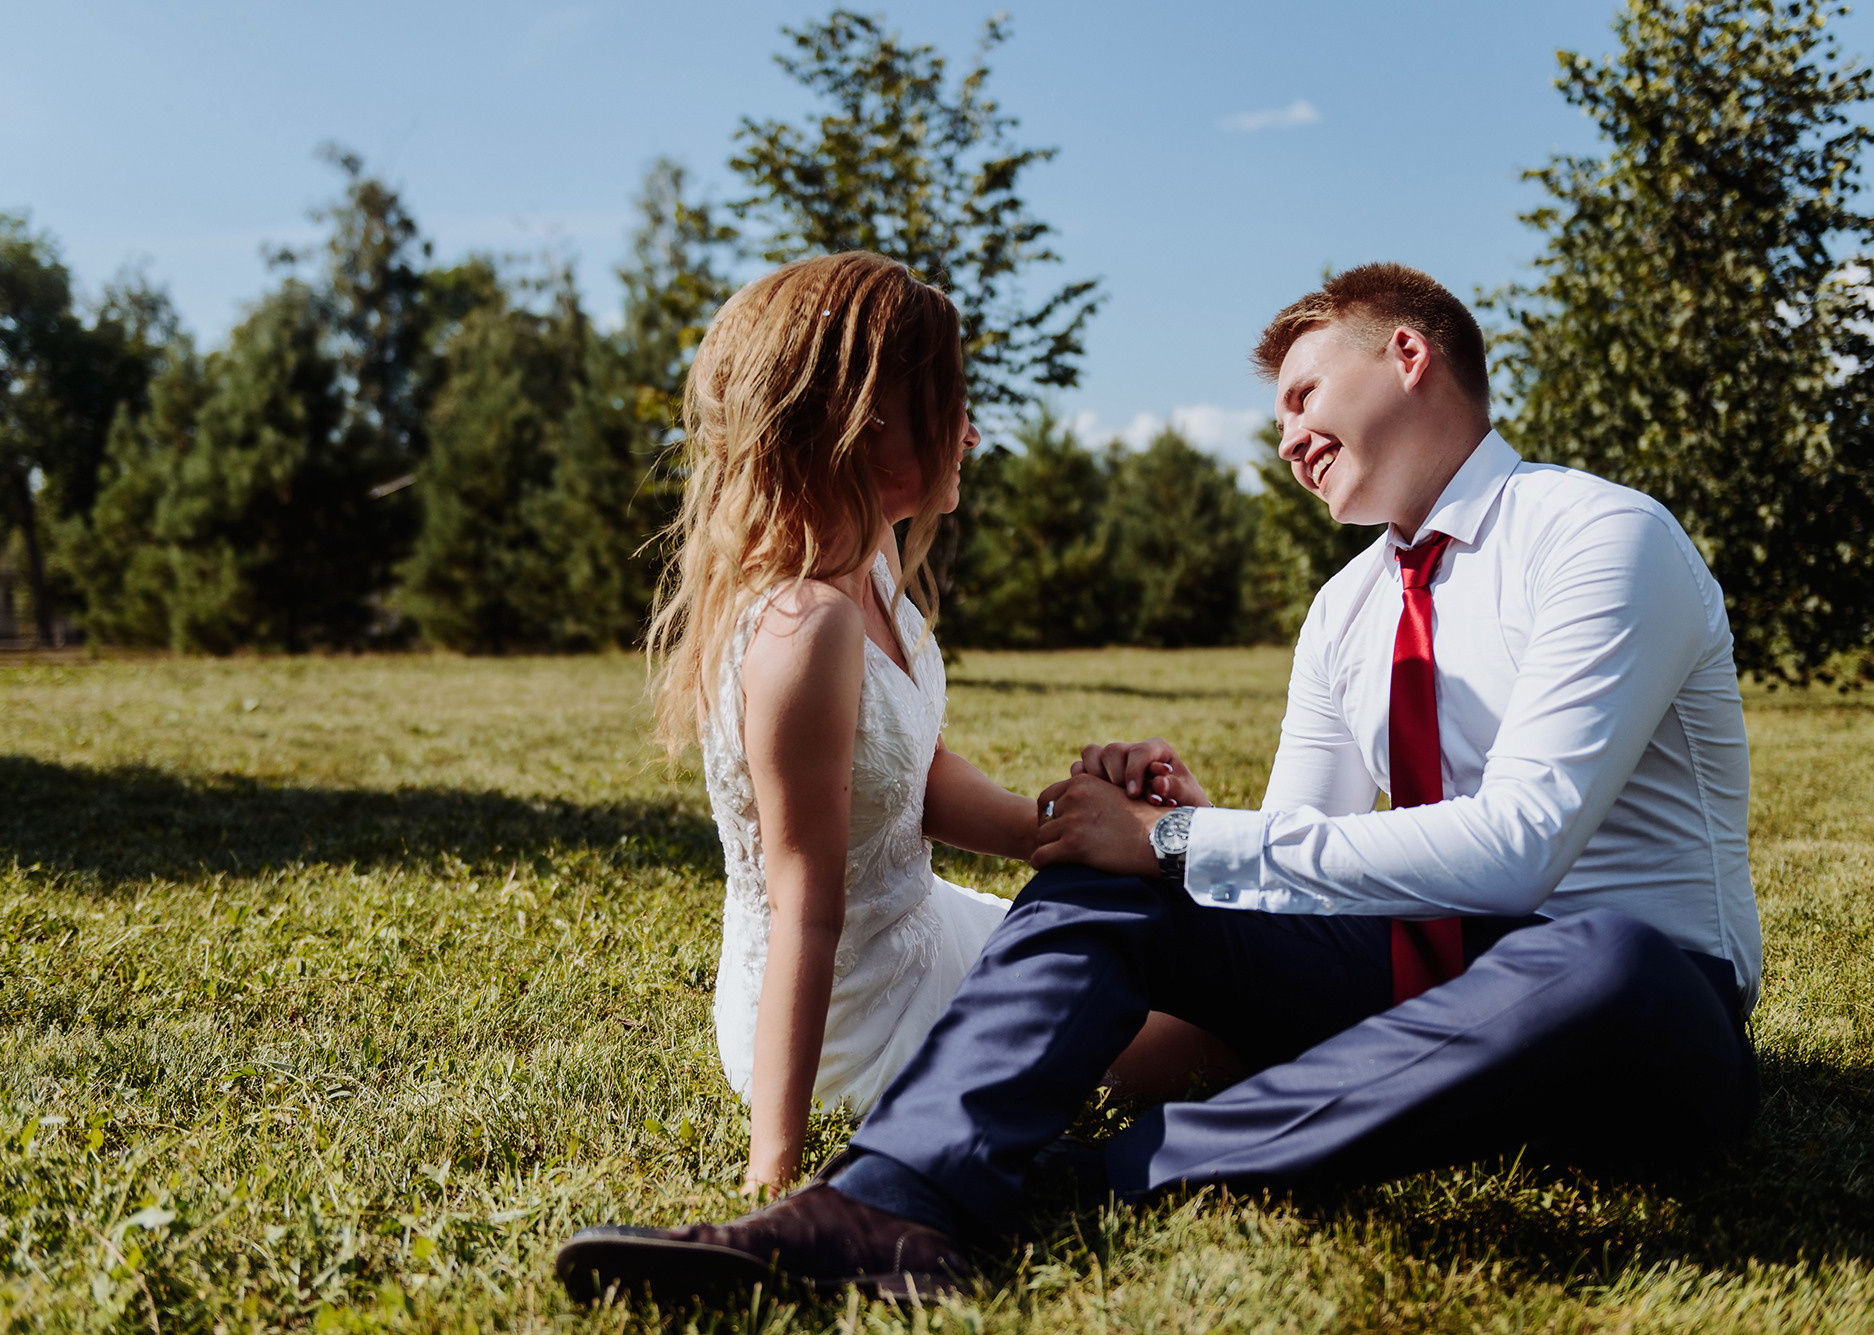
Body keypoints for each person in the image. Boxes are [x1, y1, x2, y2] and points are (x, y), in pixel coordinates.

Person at [558, 262, 1761, 1302]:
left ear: (1406, 356)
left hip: (1631, 1014)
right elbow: (1289, 865)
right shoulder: (1344, 612)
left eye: (1302, 395)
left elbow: (1521, 849)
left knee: (1599, 954)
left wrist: (1181, 844)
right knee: (1101, 874)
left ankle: (1083, 1177)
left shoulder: (1601, 538)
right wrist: (1162, 829)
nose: (1284, 436)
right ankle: (889, 1202)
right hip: (1411, 979)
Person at [644, 251, 1222, 1197]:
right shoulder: (804, 627)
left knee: (1172, 965)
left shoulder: (870, 575)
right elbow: (806, 907)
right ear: (867, 424)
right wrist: (774, 1171)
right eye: (950, 405)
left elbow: (915, 772)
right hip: (850, 1014)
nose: (974, 434)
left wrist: (1066, 826)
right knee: (1209, 1043)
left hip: (922, 924)